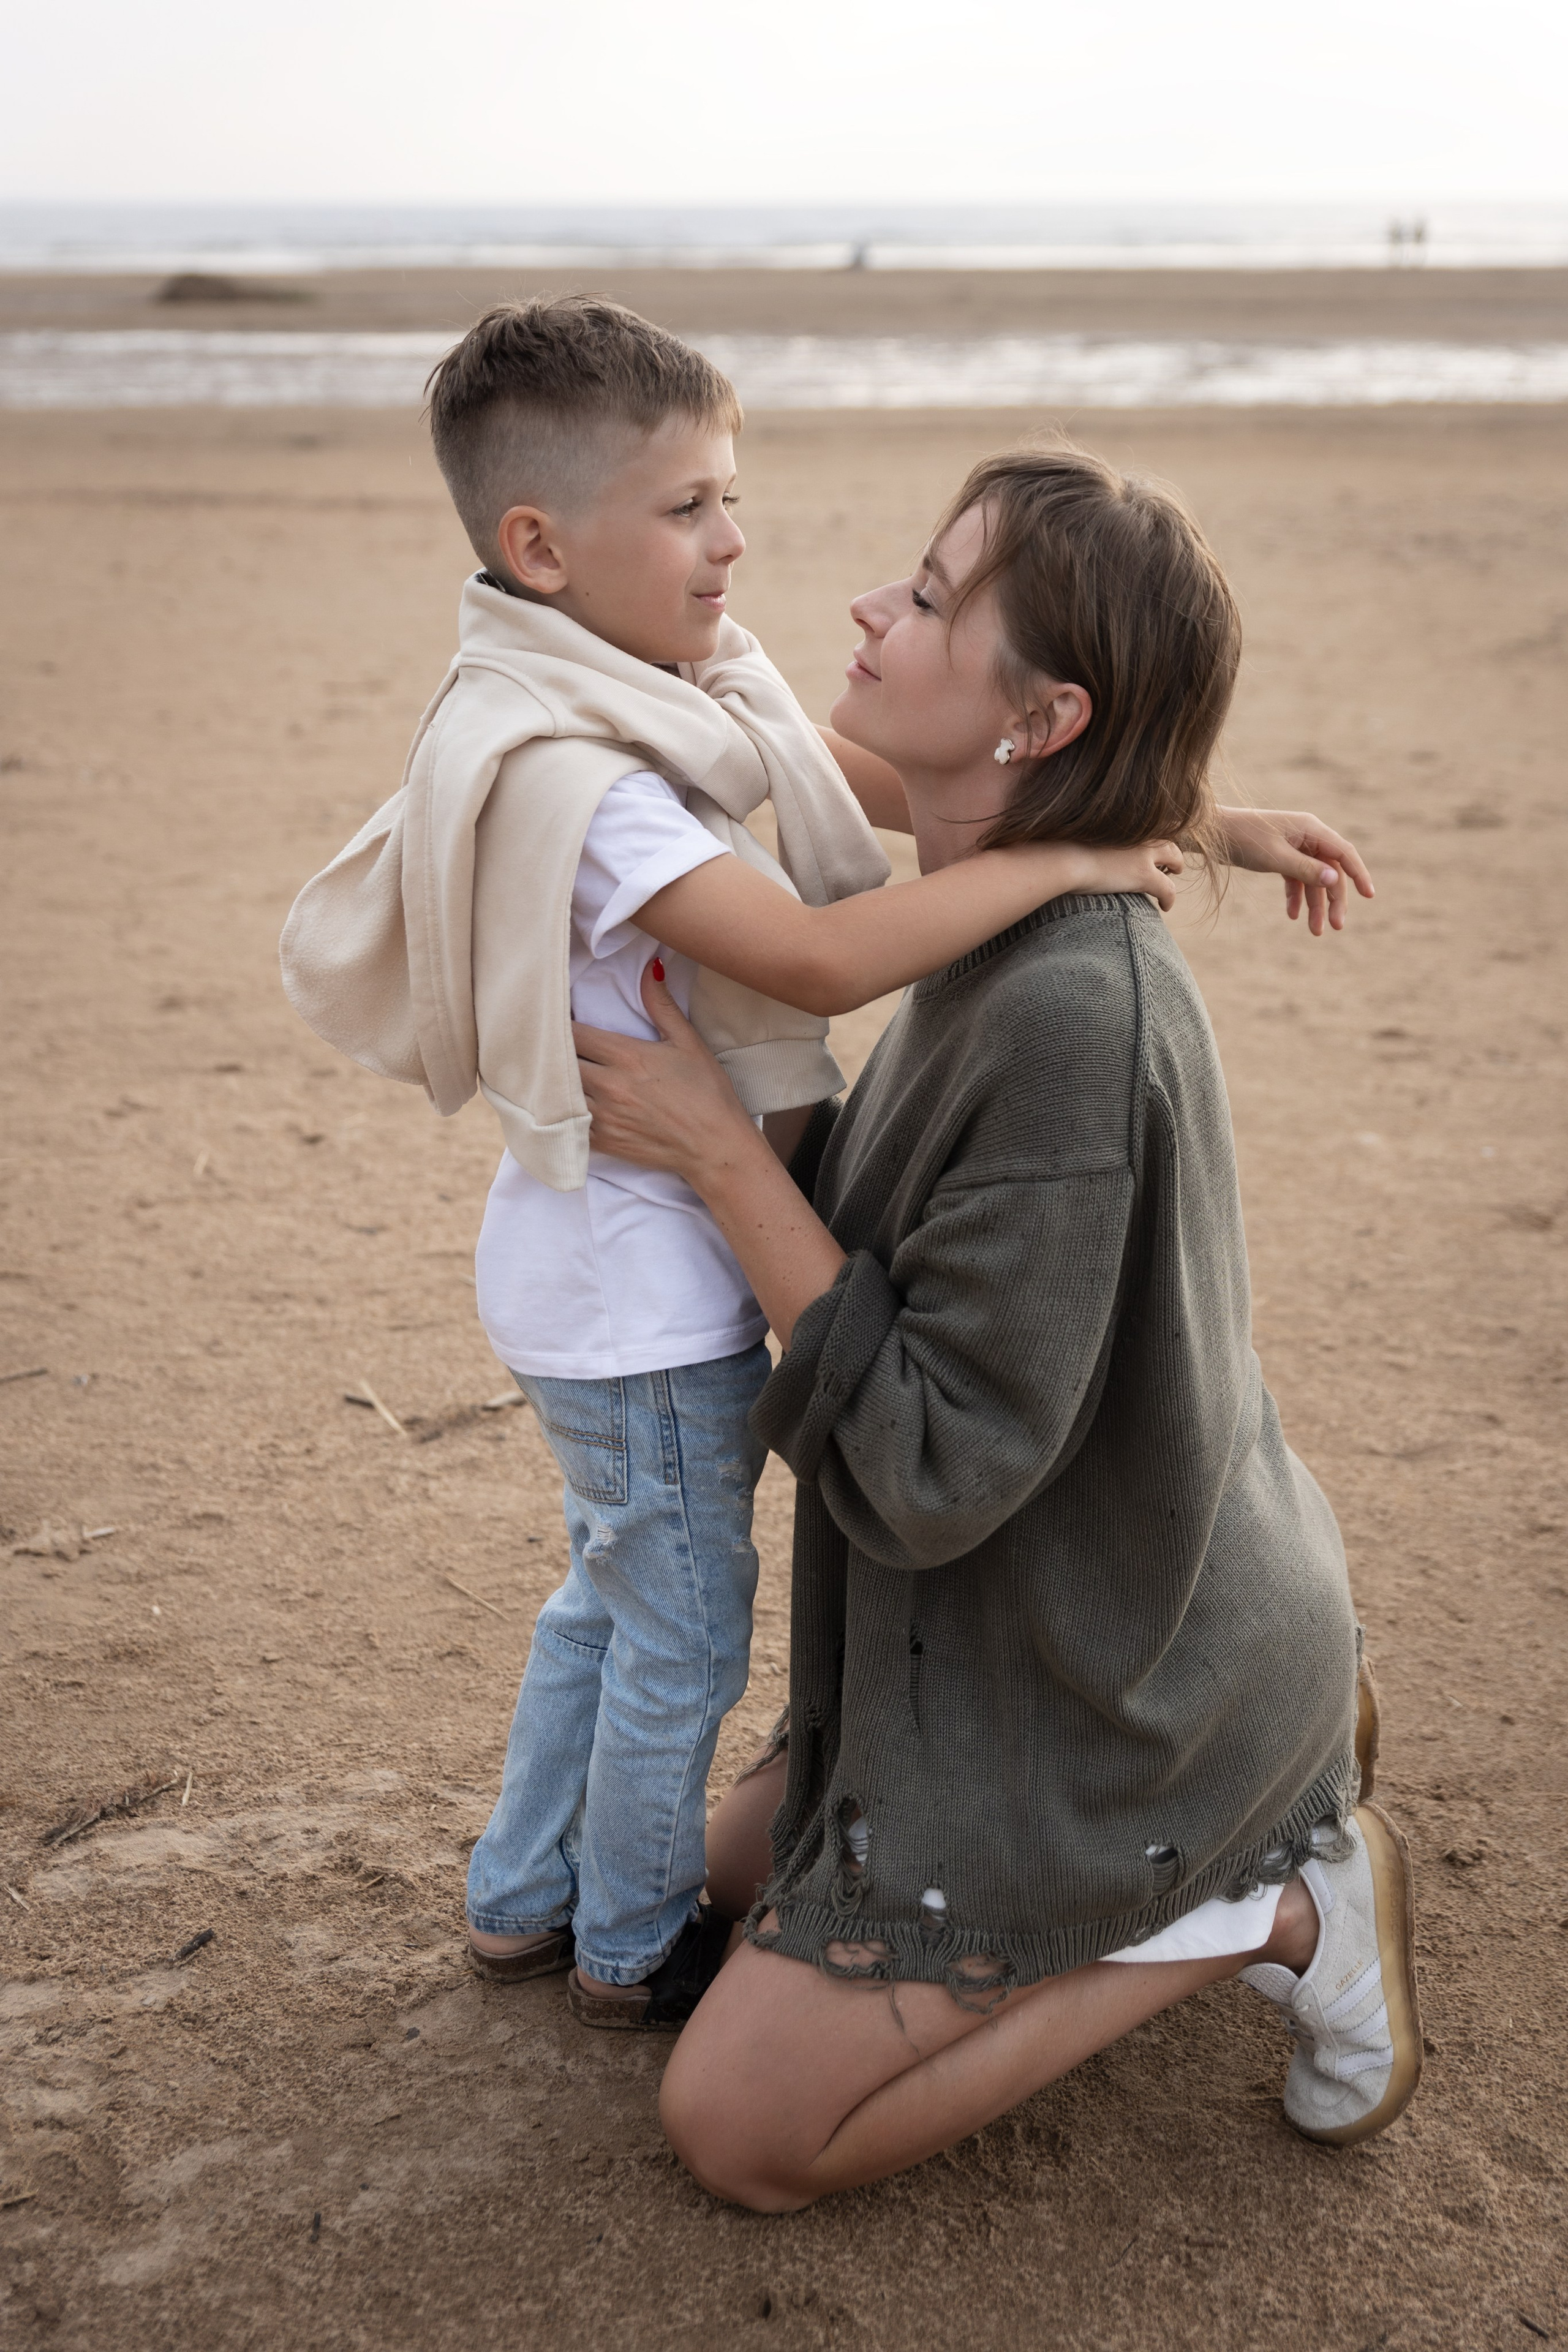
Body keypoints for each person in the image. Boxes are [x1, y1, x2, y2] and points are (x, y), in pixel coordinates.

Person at [281, 298, 1205, 2030]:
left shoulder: (657, 686)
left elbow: (859, 760)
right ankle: (633, 1949)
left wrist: (1191, 810)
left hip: (596, 1270)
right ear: (542, 544)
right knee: (687, 1636)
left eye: (733, 493)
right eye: (693, 505)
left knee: (607, 1602)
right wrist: (1066, 863)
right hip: (639, 1292)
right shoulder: (580, 776)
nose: (738, 540)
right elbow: (818, 960)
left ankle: (517, 1896)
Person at [572, 441, 1414, 2207]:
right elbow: (835, 769)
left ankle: (1277, 1906)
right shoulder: (973, 912)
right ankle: (1287, 1758)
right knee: (714, 1872)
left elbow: (940, 1465)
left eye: (934, 599)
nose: (872, 609)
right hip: (1060, 1625)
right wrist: (1209, 813)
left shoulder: (1067, 1020)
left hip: (1114, 1672)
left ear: (1038, 723)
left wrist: (721, 1153)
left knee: (740, 2129)